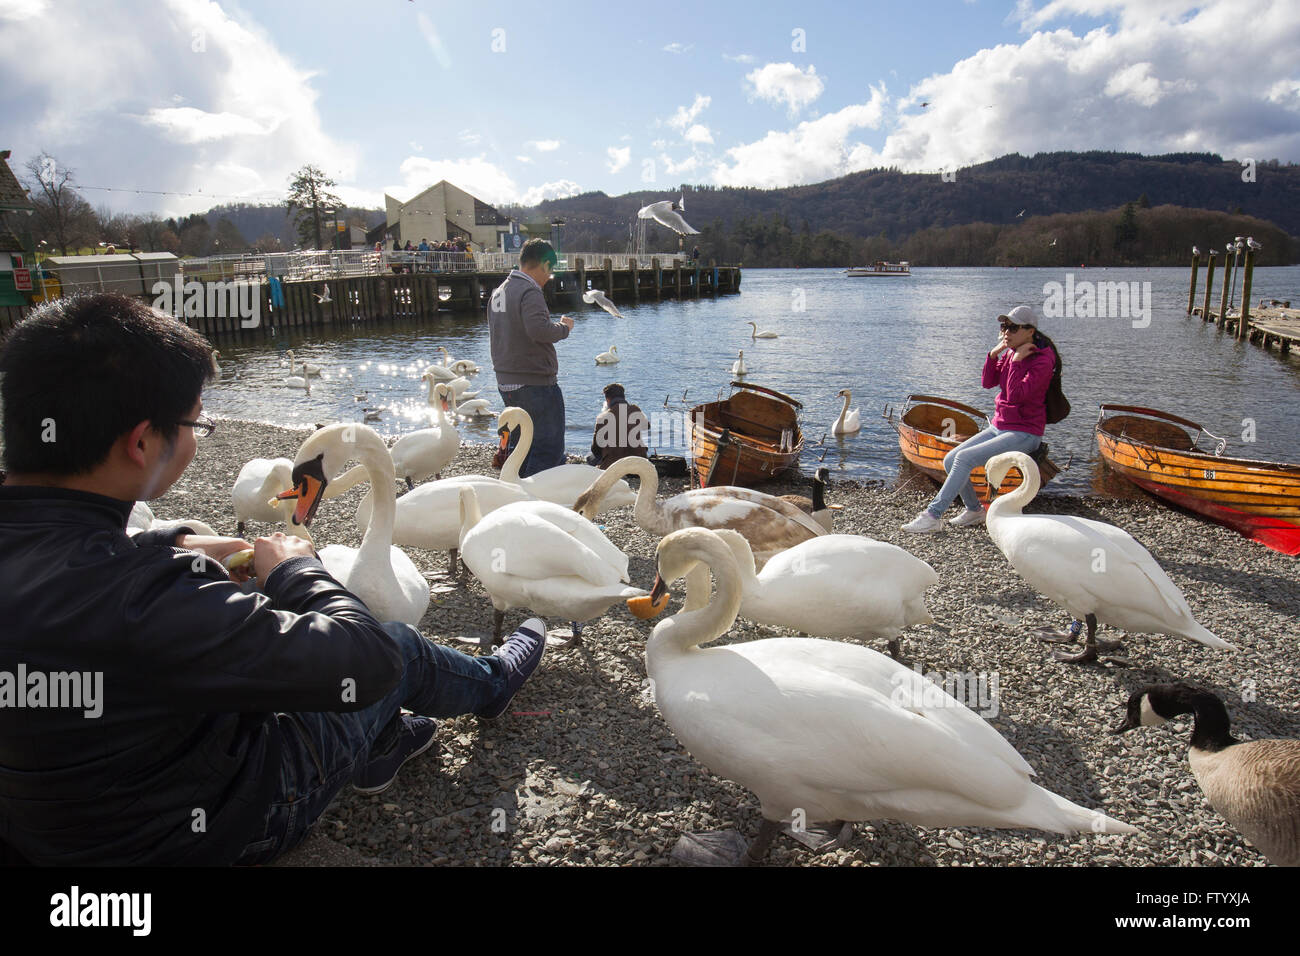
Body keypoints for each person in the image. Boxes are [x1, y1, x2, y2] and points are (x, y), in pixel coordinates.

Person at [0, 293, 547, 866]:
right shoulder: (151, 598)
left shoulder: (82, 562)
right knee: (397, 648)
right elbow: (365, 662)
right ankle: (492, 684)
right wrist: (295, 571)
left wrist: (173, 540)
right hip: (202, 829)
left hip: (47, 818)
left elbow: (75, 569)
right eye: (195, 424)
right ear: (141, 442)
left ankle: (384, 739)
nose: (196, 437)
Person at [903, 305, 1058, 533]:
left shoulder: (1042, 360)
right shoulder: (1010, 351)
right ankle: (975, 510)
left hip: (1024, 432)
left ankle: (933, 515)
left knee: (964, 458)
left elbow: (1016, 396)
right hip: (1000, 426)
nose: (1007, 332)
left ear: (1030, 331)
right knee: (950, 459)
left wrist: (1015, 362)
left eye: (1013, 327)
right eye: (1004, 326)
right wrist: (994, 355)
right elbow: (988, 382)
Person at [488, 238, 574, 478]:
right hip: (534, 383)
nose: (550, 277)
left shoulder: (499, 291)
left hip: (507, 381)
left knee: (522, 446)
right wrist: (564, 327)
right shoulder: (529, 290)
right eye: (551, 270)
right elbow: (539, 330)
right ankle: (537, 501)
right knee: (548, 447)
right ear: (545, 264)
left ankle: (516, 496)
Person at [587, 383, 650, 468]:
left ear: (607, 399)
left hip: (614, 466)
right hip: (639, 463)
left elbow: (595, 448)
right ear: (623, 397)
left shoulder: (602, 417)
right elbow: (647, 426)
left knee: (589, 457)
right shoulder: (635, 410)